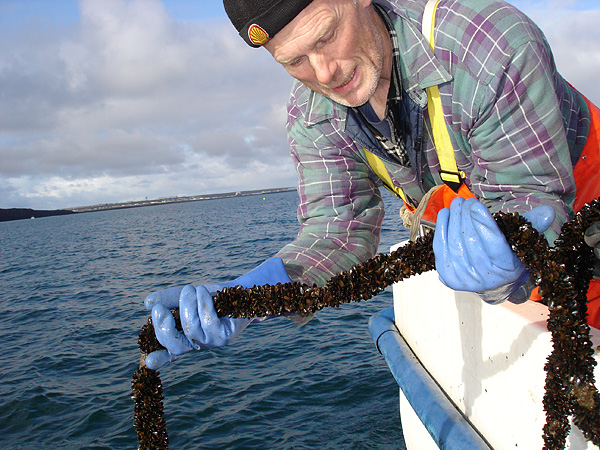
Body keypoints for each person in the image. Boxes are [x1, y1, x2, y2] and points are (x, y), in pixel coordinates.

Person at [143, 0, 600, 370]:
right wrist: (250, 296)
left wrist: (519, 255)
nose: (325, 73)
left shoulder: (487, 44)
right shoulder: (312, 114)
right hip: (485, 237)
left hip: (582, 199)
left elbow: (531, 197)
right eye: (294, 61)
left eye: (326, 36)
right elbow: (340, 229)